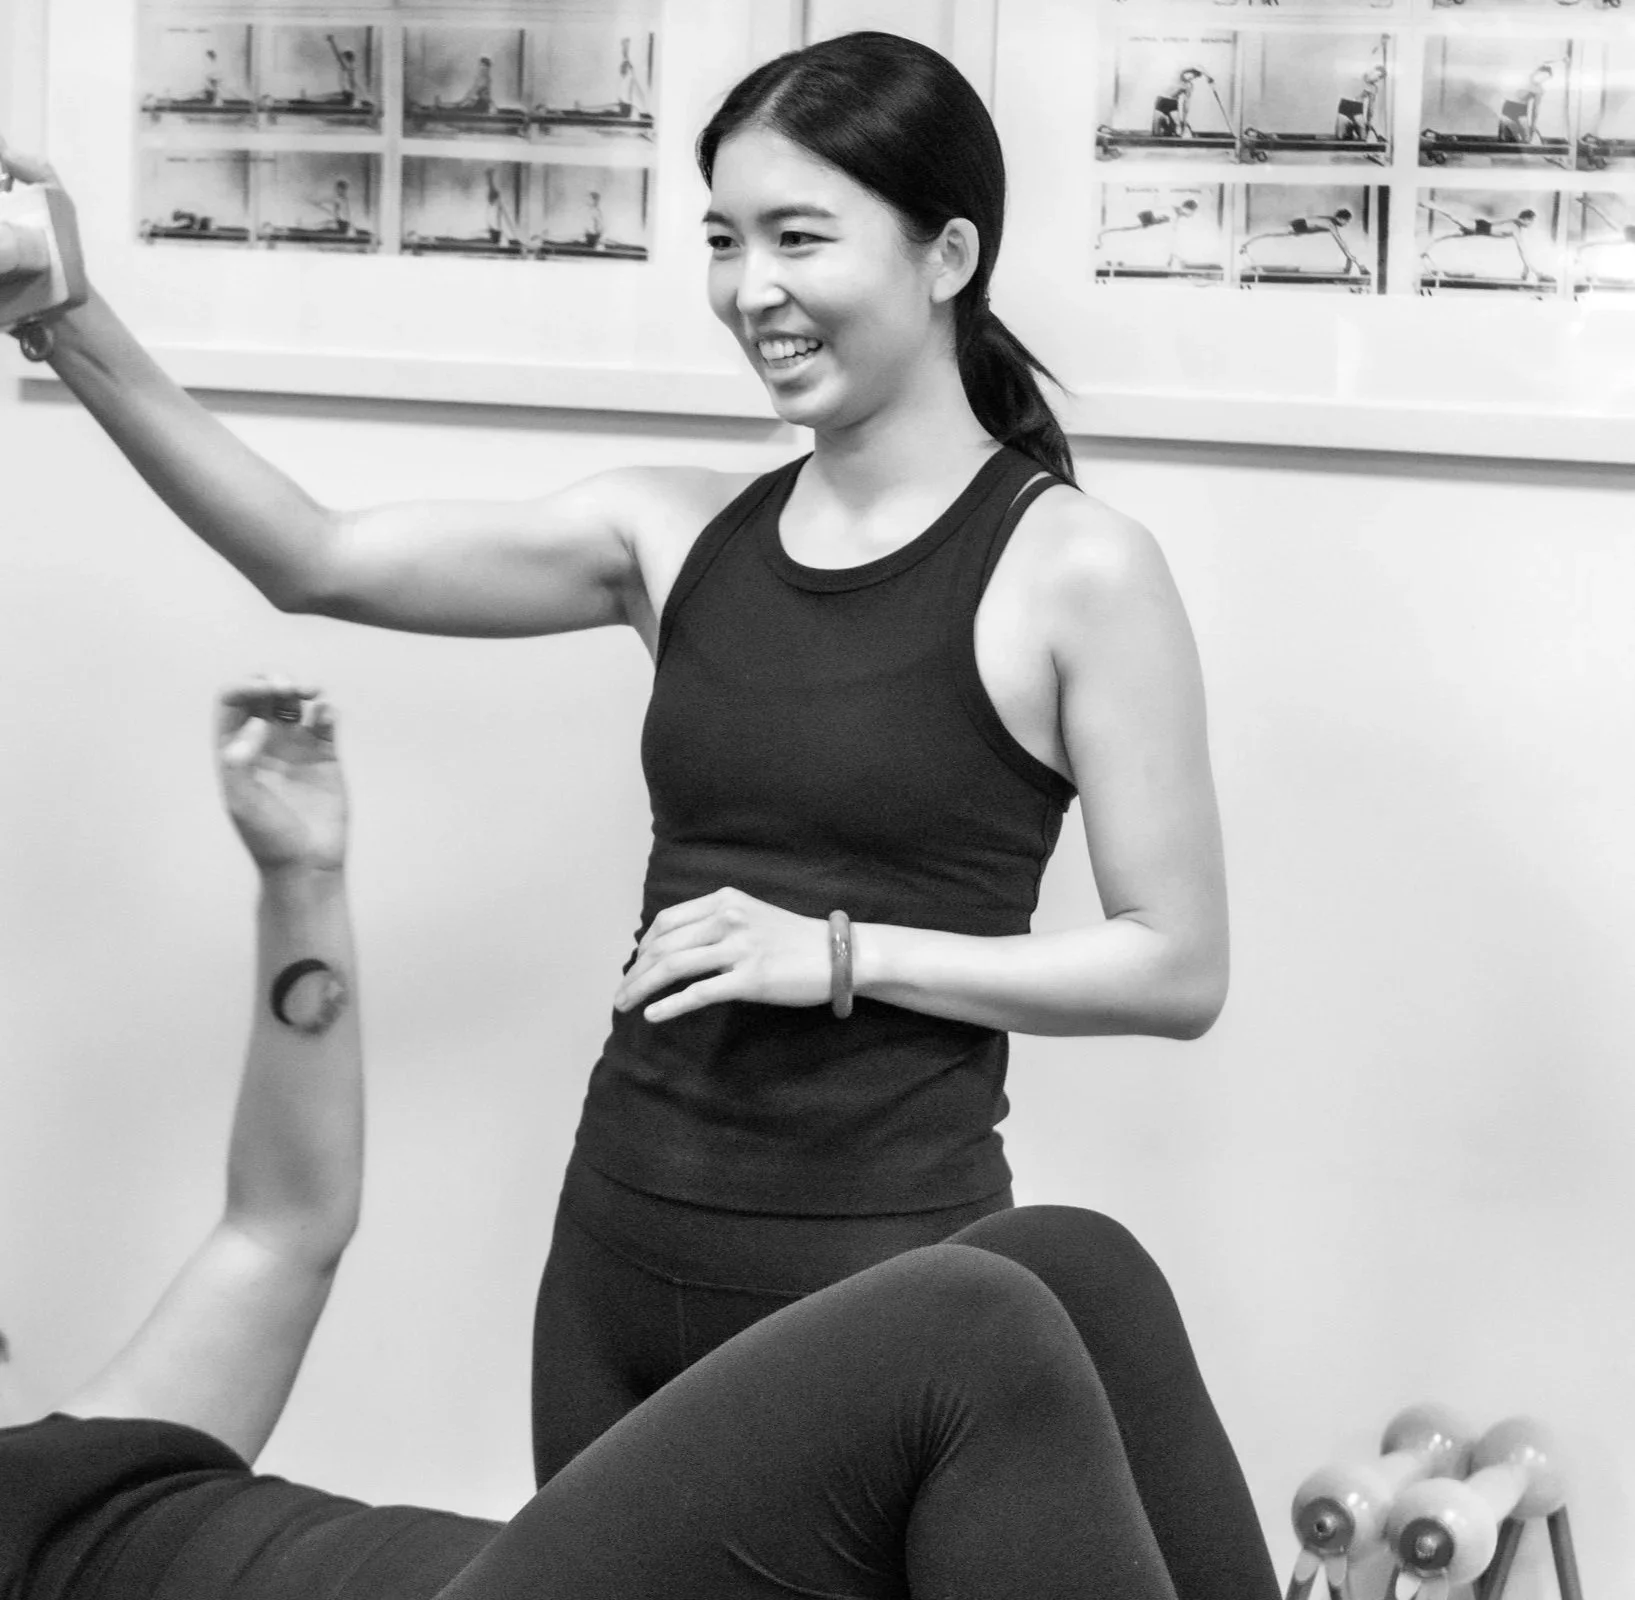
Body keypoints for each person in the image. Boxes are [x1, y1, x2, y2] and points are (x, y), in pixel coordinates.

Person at [0, 26, 1237, 1531]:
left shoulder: (1077, 568)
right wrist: (71, 319)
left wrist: (840, 957)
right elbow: (311, 557)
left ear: (945, 253)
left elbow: (1174, 967)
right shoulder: (669, 536)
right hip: (616, 1249)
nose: (749, 289)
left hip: (874, 1269)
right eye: (722, 240)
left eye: (798, 236)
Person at [1, 681, 1277, 1599]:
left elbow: (284, 1223)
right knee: (970, 1331)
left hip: (520, 1567)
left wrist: (301, 879)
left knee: (1073, 1263)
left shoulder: (79, 1442)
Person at [1240, 208, 1363, 275]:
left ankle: (1246, 244)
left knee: (1271, 233)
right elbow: (1340, 243)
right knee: (1270, 233)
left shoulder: (1330, 222)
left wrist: (1350, 256)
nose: (1346, 224)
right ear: (1340, 218)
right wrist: (1351, 257)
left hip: (1299, 226)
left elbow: (1341, 241)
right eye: (1346, 221)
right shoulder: (1330, 224)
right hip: (1297, 226)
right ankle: (1245, 244)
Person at [1152, 67, 1211, 137]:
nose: (1191, 78)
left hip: (1172, 105)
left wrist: (1184, 120)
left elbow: (1186, 104)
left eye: (1194, 78)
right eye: (1192, 75)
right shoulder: (1178, 73)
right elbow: (1198, 65)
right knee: (1156, 134)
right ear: (1188, 71)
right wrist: (1208, 76)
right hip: (1160, 102)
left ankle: (1172, 128)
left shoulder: (1188, 86)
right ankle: (1166, 125)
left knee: (1179, 132)